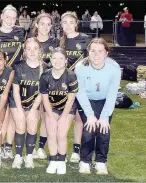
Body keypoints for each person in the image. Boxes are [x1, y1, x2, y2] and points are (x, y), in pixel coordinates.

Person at [75, 38, 121, 175]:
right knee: (89, 129)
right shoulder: (81, 67)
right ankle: (85, 161)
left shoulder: (114, 68)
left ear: (106, 53)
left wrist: (105, 116)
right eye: (93, 50)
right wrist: (90, 115)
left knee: (104, 129)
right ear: (88, 52)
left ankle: (101, 161)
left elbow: (113, 94)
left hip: (104, 100)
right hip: (87, 100)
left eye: (100, 51)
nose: (96, 54)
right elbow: (80, 93)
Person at [0, 4, 25, 160]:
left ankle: (7, 147)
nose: (11, 20)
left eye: (14, 17)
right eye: (8, 17)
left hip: (17, 79)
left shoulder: (20, 32)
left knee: (12, 114)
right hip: (0, 80)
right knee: (2, 114)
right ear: (1, 17)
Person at [40, 47, 78, 174]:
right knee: (51, 133)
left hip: (67, 108)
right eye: (54, 58)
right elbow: (45, 99)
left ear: (66, 60)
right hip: (51, 107)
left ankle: (61, 161)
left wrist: (63, 118)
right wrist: (50, 116)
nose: (57, 61)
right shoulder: (45, 76)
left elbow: (71, 99)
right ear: (50, 59)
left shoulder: (71, 76)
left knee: (61, 133)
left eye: (61, 58)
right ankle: (53, 160)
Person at [10, 38, 47, 169]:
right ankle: (18, 156)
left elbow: (42, 94)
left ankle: (29, 156)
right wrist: (20, 111)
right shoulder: (18, 66)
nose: (32, 52)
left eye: (35, 48)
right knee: (20, 125)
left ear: (40, 51)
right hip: (17, 101)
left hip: (34, 103)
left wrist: (32, 111)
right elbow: (15, 91)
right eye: (29, 49)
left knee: (32, 125)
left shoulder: (45, 68)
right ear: (24, 51)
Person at [60, 11, 92, 163]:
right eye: (64, 22)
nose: (68, 25)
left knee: (80, 119)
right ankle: (61, 150)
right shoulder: (59, 42)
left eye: (70, 22)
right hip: (62, 86)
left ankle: (76, 150)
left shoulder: (86, 39)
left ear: (76, 24)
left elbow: (90, 63)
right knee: (64, 118)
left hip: (81, 86)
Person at [30, 13, 60, 160]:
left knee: (47, 116)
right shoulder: (30, 41)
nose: (45, 27)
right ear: (36, 24)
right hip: (31, 85)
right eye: (42, 23)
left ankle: (40, 147)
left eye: (49, 24)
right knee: (34, 116)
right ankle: (30, 147)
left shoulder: (56, 43)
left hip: (50, 86)